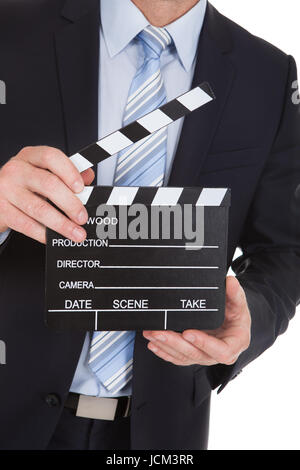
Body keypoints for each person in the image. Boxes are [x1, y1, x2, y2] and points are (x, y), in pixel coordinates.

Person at [0, 0, 299, 450]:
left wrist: (249, 318)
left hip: (162, 431)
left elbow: (284, 251)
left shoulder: (268, 74)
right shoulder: (9, 30)